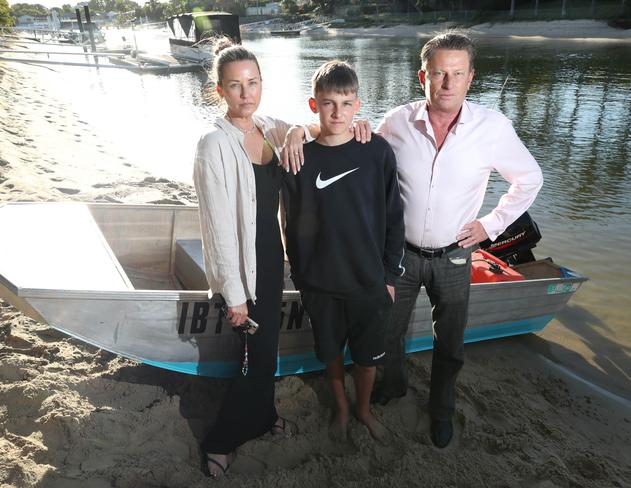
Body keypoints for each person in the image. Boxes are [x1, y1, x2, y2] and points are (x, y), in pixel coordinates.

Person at [193, 40, 370, 478]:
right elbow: (215, 227)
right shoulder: (214, 144)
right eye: (235, 86)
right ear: (220, 91)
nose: (245, 93)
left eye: (252, 83)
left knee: (267, 353)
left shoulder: (268, 127)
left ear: (261, 84)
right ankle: (222, 439)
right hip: (243, 270)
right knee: (254, 355)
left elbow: (312, 129)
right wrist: (232, 295)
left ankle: (263, 416)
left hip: (272, 259)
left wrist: (299, 132)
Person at [372, 32, 543, 449]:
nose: (447, 83)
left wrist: (491, 225)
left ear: (470, 78)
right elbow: (366, 171)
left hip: (455, 255)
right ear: (422, 77)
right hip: (401, 256)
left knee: (449, 340)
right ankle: (393, 387)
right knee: (386, 333)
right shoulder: (395, 123)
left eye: (457, 73)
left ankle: (442, 409)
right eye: (438, 74)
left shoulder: (492, 127)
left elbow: (529, 179)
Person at [282, 60, 405, 440]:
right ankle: (341, 408)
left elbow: (394, 218)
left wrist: (388, 276)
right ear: (313, 104)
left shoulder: (377, 151)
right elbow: (290, 225)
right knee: (331, 355)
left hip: (368, 282)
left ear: (358, 104)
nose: (338, 112)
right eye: (328, 103)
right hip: (320, 284)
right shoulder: (298, 158)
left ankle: (364, 409)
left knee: (367, 359)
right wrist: (303, 279)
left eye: (346, 103)